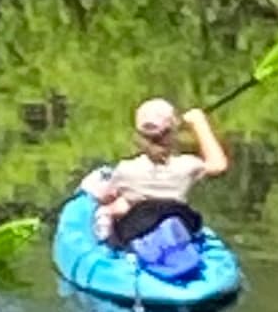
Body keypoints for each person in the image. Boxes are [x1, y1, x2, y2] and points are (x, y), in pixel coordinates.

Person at [87, 98, 229, 261]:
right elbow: (218, 164)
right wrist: (200, 123)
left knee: (110, 209)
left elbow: (105, 197)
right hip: (179, 223)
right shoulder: (187, 166)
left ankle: (106, 247)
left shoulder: (125, 169)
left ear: (138, 135)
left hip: (137, 229)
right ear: (173, 133)